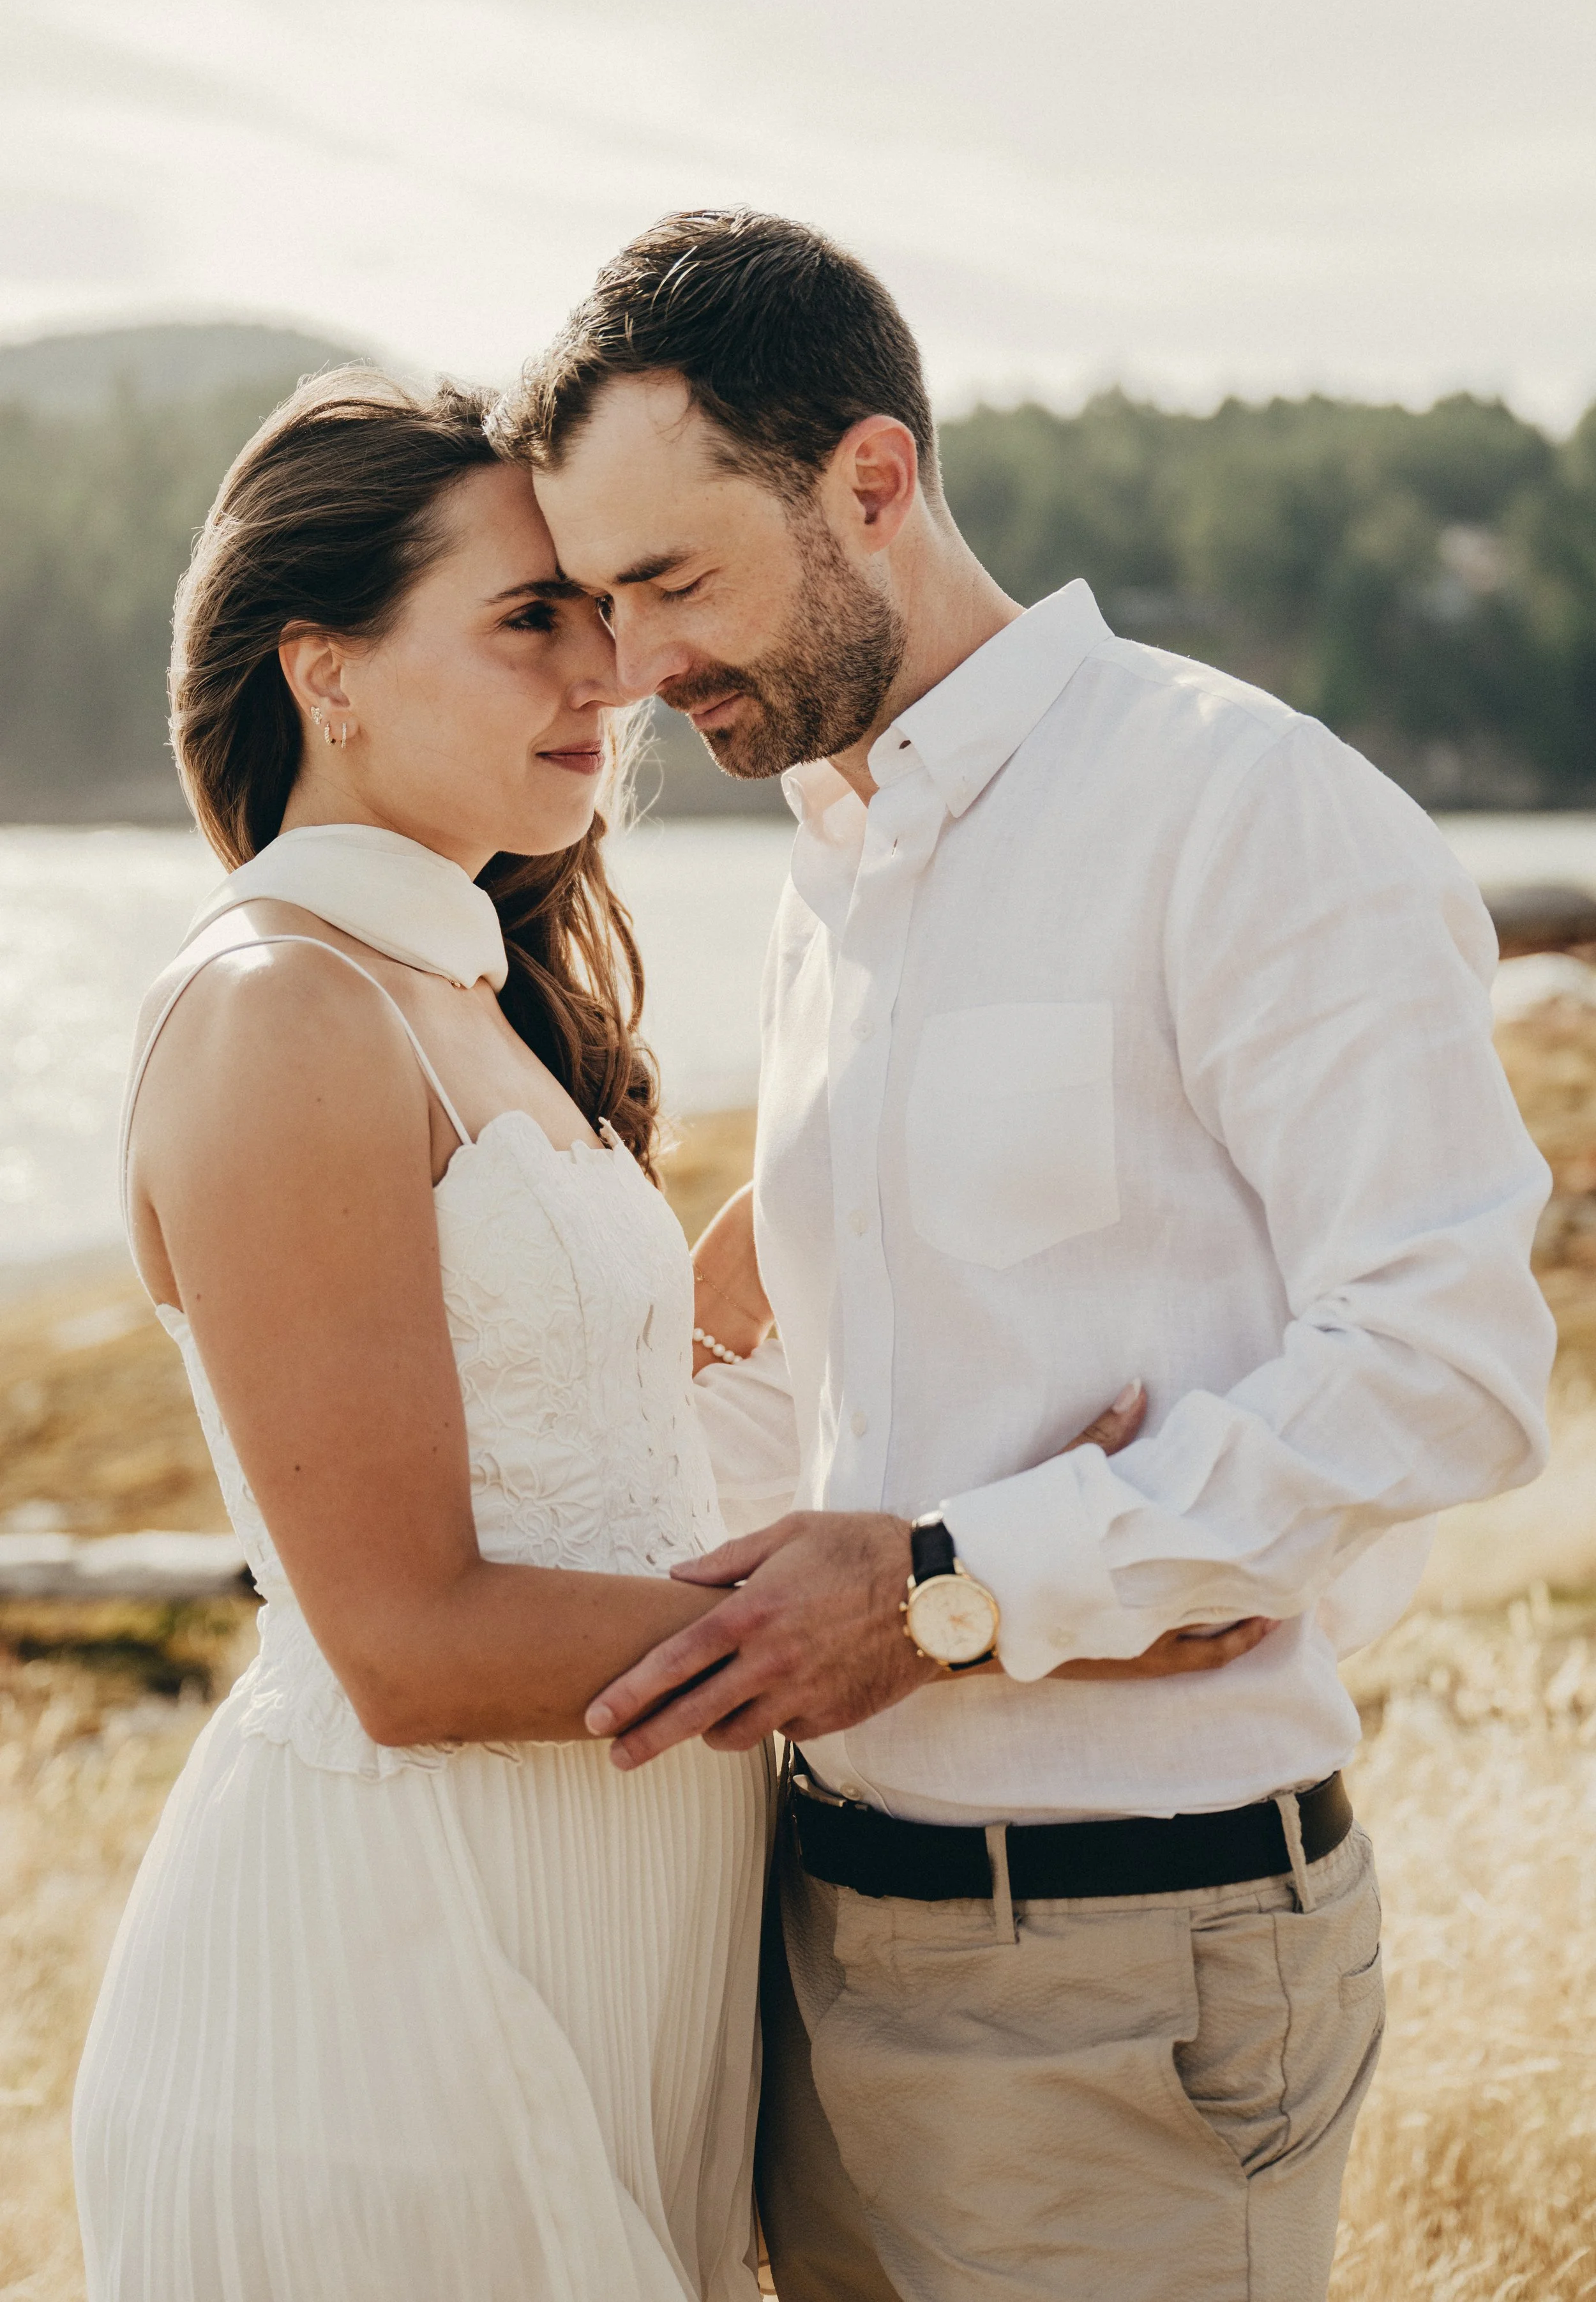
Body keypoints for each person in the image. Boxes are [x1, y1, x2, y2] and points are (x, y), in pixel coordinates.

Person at [72, 367, 1254, 2302]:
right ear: (326, 668)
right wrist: (967, 1607)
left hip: (608, 1935)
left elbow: (617, 1408)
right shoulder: (282, 1007)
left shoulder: (456, 987)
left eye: (608, 614)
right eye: (529, 617)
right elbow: (407, 1638)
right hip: (408, 1979)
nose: (606, 677)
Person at [492, 209, 1558, 2302]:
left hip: (1127, 1976)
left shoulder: (1242, 808)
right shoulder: (835, 864)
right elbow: (833, 1403)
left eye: (674, 584)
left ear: (871, 483)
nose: (631, 670)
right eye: (601, 602)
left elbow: (1448, 1360)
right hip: (815, 1941)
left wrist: (985, 1583)